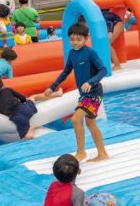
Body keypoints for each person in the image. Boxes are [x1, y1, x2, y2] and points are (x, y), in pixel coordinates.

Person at [45, 22, 110, 162]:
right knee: (91, 124)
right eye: (72, 39)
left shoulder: (90, 53)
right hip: (84, 95)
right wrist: (52, 87)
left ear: (86, 38)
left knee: (75, 119)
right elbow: (66, 72)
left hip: (94, 93)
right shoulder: (72, 53)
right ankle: (102, 153)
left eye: (78, 39)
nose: (75, 42)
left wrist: (90, 82)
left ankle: (81, 152)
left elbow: (103, 70)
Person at [0, 74, 61, 141]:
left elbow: (2, 113)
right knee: (34, 97)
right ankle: (57, 94)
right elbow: (23, 98)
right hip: (26, 109)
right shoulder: (8, 90)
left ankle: (31, 128)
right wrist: (25, 103)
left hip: (18, 118)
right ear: (3, 85)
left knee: (27, 137)